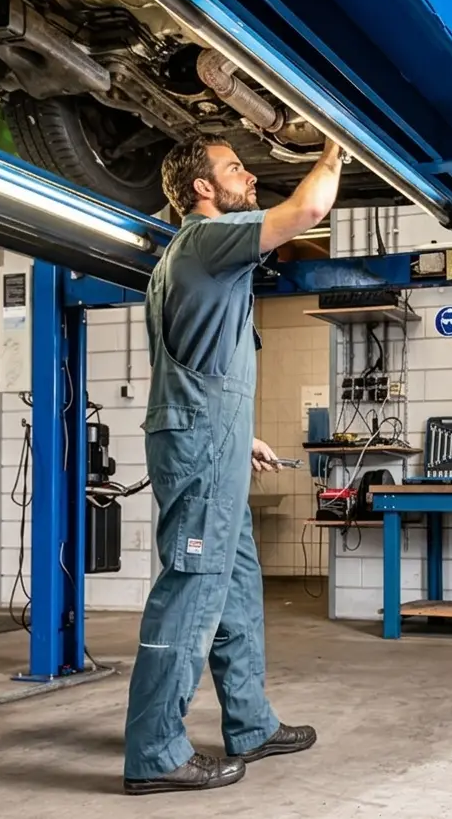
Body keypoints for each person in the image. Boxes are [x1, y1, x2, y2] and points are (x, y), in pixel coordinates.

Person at [122, 133, 344, 796]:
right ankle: (155, 748)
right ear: (202, 190)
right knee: (192, 584)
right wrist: (336, 149)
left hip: (209, 439)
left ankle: (250, 722)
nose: (248, 176)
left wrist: (239, 435)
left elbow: (193, 364)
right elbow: (305, 211)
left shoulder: (192, 261)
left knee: (237, 585)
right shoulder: (207, 238)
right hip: (198, 448)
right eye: (234, 168)